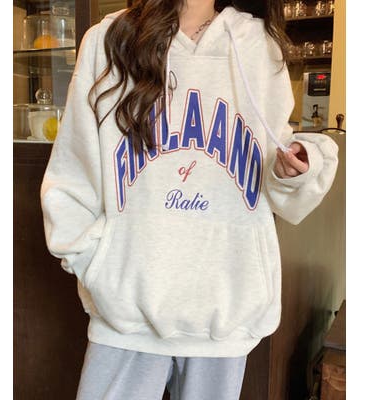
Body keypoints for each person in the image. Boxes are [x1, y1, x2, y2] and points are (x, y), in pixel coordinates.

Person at [40, 0, 339, 399]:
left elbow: (271, 160)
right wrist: (97, 265)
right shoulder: (109, 40)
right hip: (127, 314)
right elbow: (73, 171)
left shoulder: (258, 45)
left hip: (224, 305)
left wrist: (293, 168)